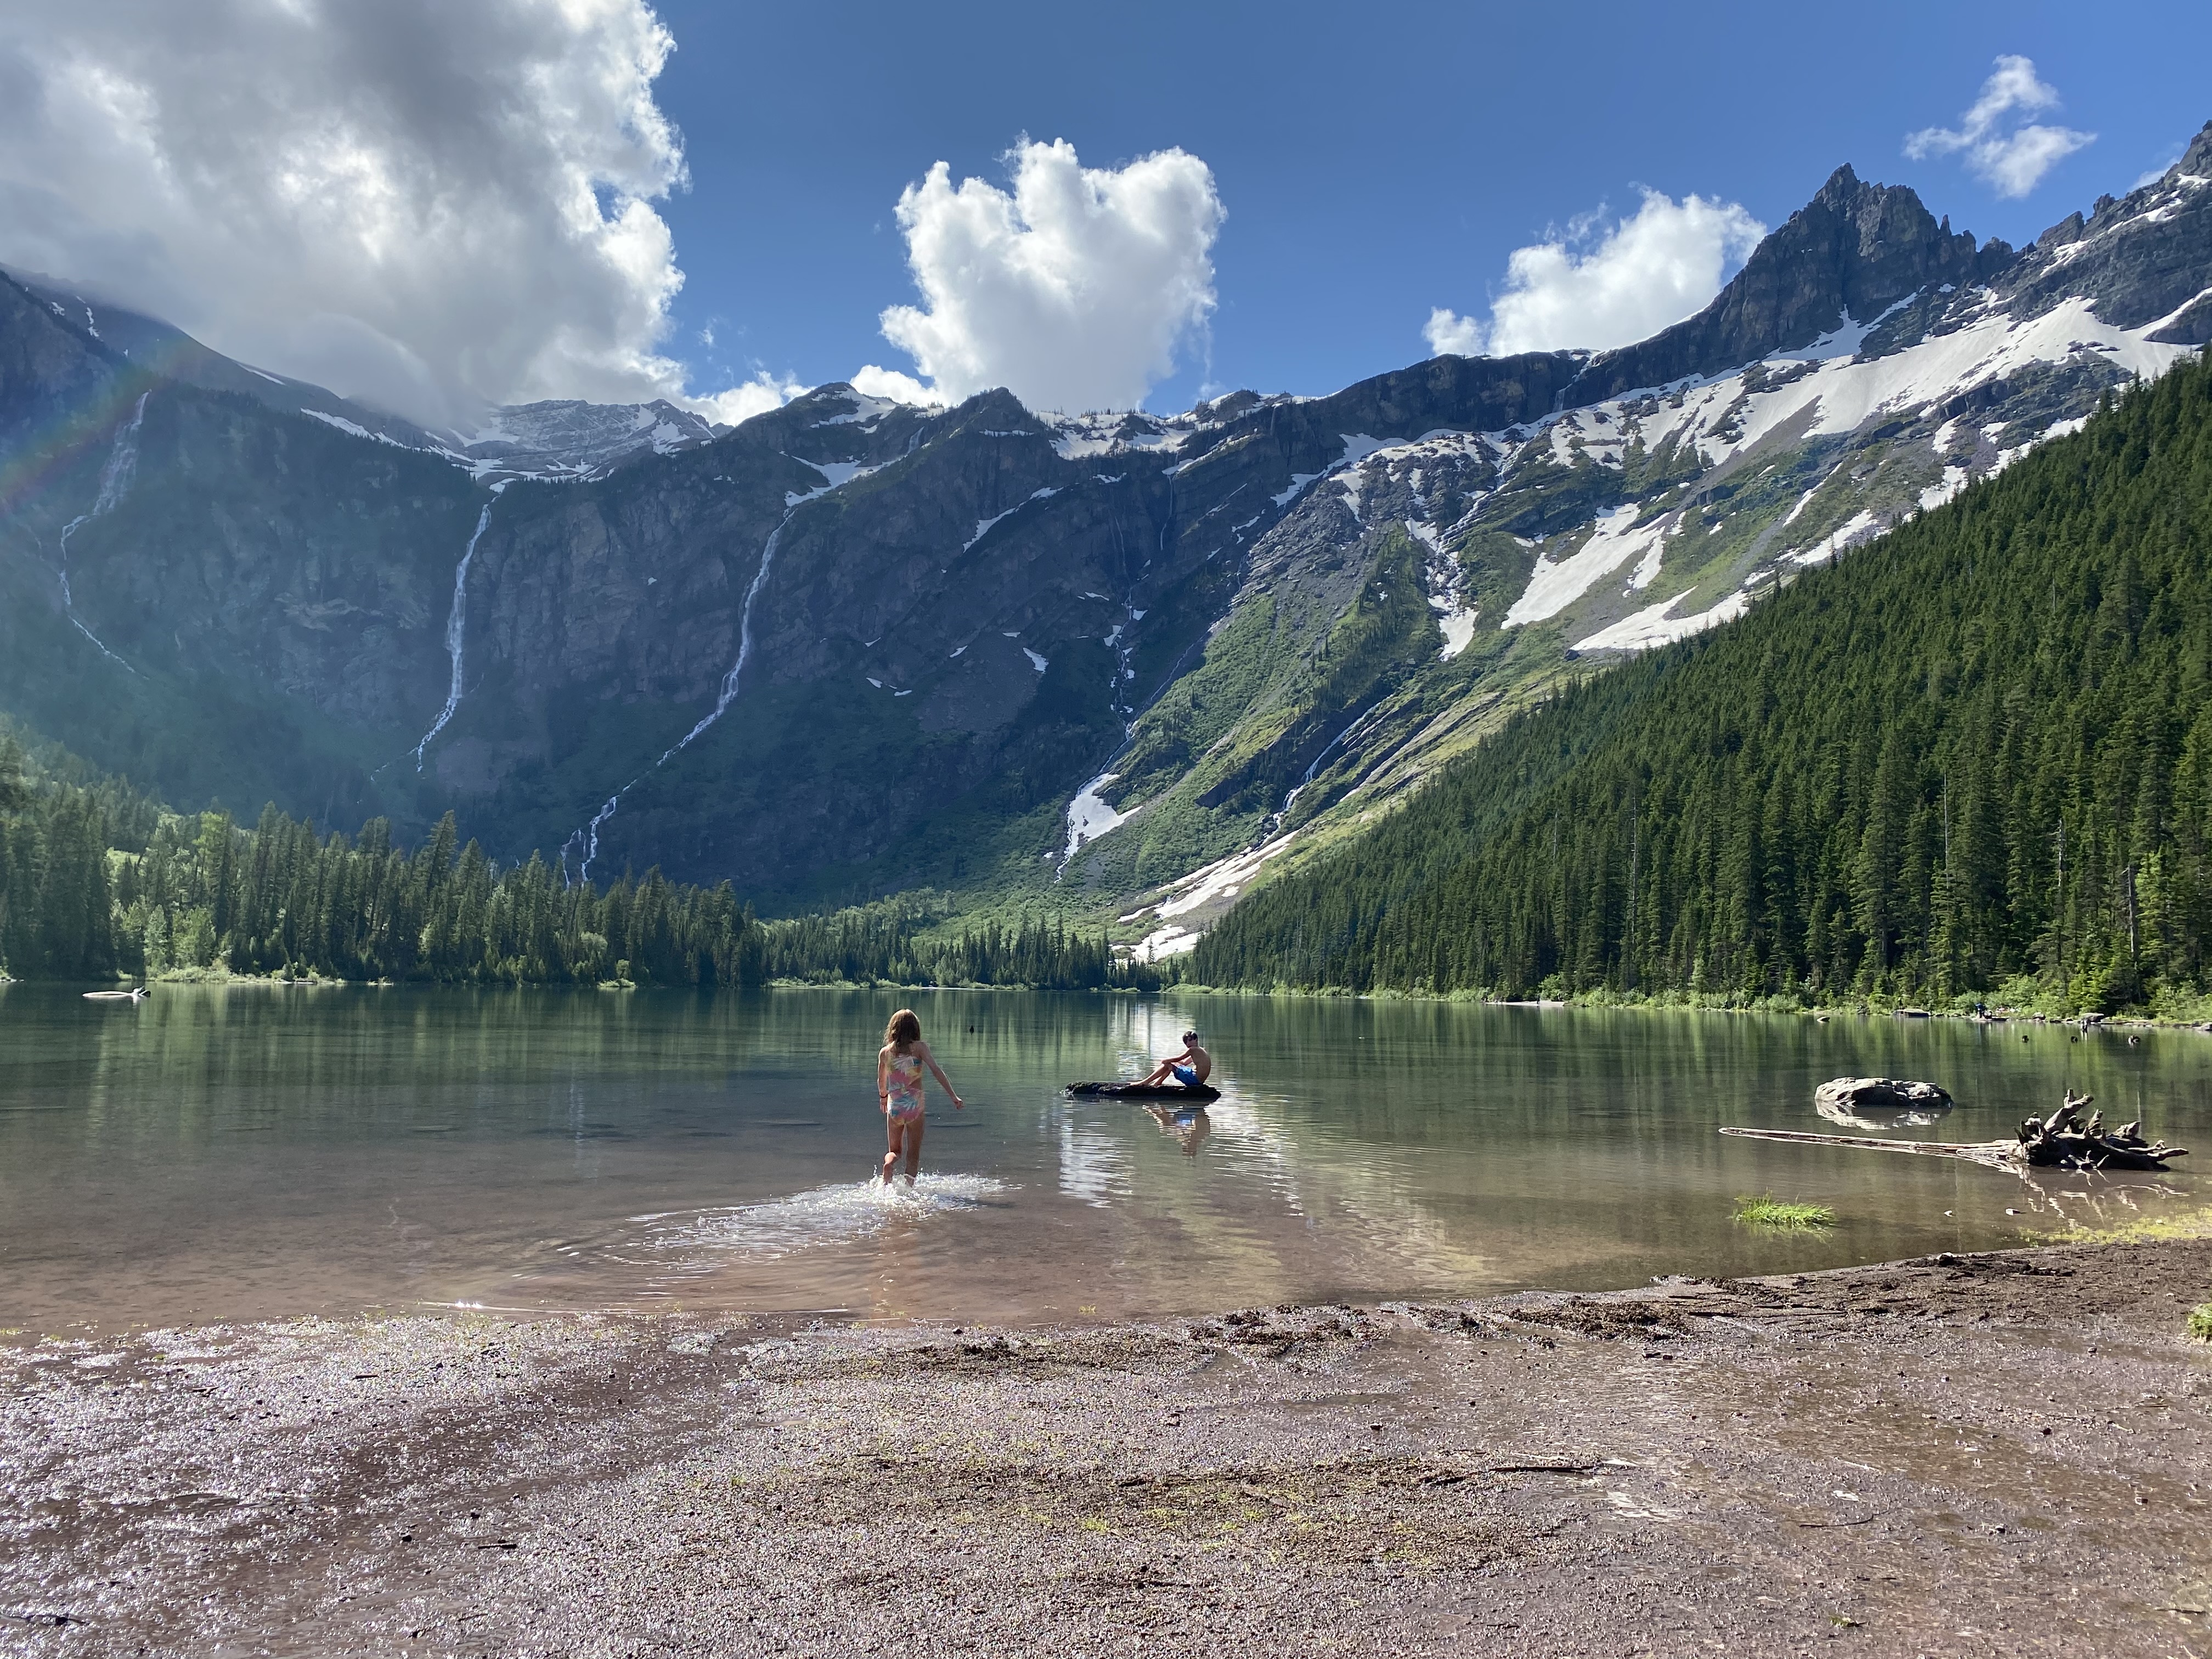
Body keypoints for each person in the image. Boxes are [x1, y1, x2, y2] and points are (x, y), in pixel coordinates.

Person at [876, 1008, 962, 1187]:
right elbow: (937, 1071)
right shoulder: (919, 1048)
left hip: (895, 1105)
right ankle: (908, 1191)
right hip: (915, 1105)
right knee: (913, 1155)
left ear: (894, 1028)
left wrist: (884, 1097)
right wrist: (953, 1096)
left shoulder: (885, 1052)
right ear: (915, 1028)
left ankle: (889, 1165)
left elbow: (881, 1080)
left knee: (895, 1151)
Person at [1137, 1029, 1210, 1090]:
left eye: (1190, 1040)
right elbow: (1184, 1063)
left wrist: (1165, 1061)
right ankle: (1157, 1083)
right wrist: (1171, 1062)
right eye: (1186, 1042)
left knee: (1168, 1064)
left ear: (1196, 1039)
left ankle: (1146, 1082)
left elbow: (1178, 1059)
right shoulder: (1200, 1050)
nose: (1188, 1044)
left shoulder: (1193, 1049)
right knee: (1170, 1064)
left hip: (1194, 1080)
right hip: (1198, 1080)